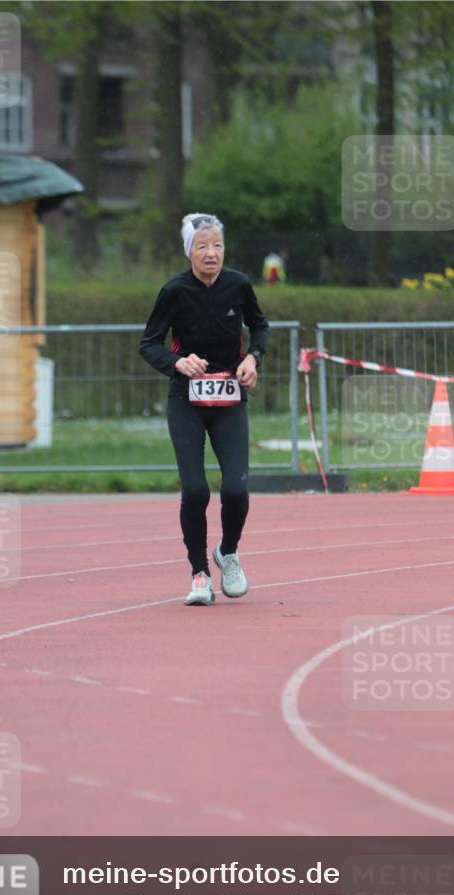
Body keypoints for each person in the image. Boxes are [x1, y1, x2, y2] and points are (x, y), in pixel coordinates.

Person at [140, 212, 269, 606]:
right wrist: (177, 363)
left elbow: (259, 327)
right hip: (187, 400)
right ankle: (199, 573)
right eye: (202, 246)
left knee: (236, 490)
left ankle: (228, 552)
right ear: (189, 252)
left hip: (230, 398)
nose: (211, 253)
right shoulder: (174, 291)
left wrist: (253, 360)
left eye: (217, 245)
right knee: (195, 490)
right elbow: (149, 343)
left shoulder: (238, 284)